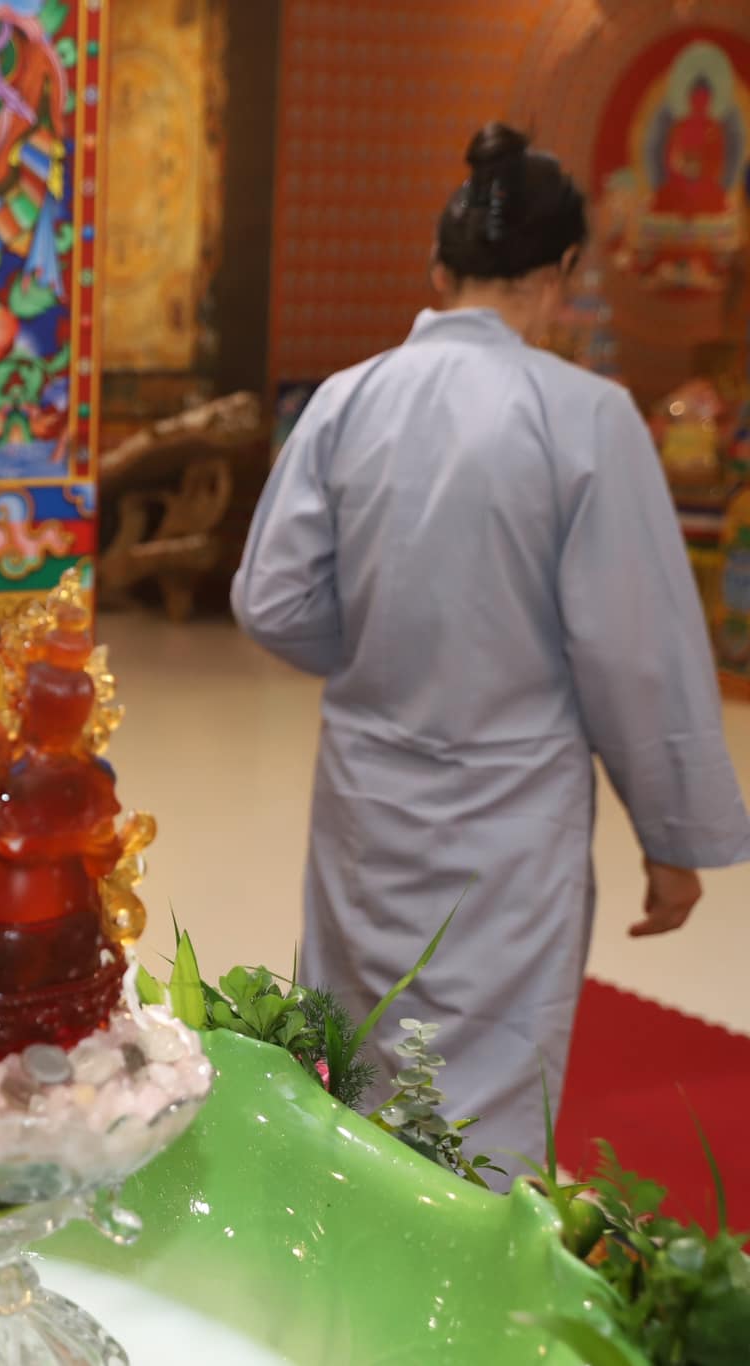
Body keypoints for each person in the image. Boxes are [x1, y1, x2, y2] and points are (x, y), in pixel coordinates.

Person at [233, 124, 750, 1177]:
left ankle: (353, 1241)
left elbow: (271, 600)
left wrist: (377, 650)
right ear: (563, 271)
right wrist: (670, 837)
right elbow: (634, 655)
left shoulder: (347, 398)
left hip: (367, 794)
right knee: (488, 1080)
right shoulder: (586, 416)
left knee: (361, 1044)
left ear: (439, 266)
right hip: (511, 813)